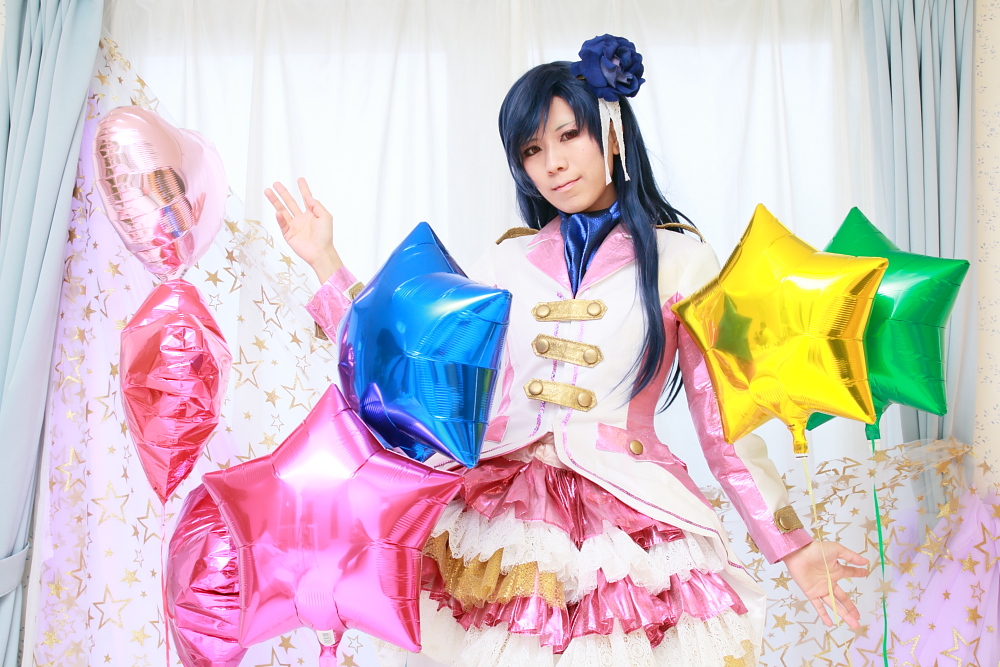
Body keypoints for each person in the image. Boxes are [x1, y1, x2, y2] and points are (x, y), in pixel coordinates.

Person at [265, 34, 868, 667]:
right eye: (532, 150)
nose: (552, 163)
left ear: (612, 133)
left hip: (631, 514)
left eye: (568, 136)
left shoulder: (682, 260)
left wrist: (792, 544)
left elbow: (723, 425)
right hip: (500, 517)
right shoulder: (504, 261)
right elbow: (410, 364)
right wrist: (325, 262)